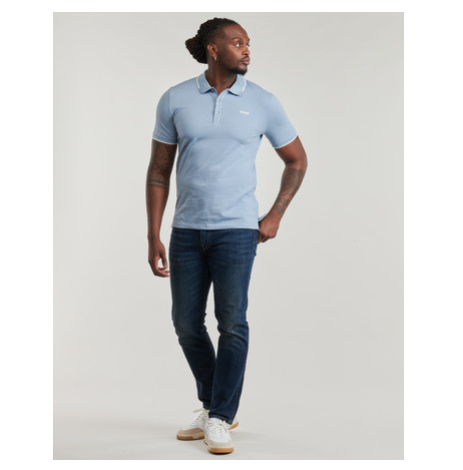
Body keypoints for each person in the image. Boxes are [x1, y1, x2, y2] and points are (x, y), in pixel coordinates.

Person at [146, 17, 308, 454]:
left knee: (232, 323)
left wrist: (275, 215)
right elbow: (159, 171)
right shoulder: (176, 98)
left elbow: (296, 160)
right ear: (213, 49)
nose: (246, 50)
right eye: (237, 43)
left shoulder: (262, 101)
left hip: (237, 231)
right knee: (186, 324)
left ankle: (219, 415)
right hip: (185, 231)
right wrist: (153, 233)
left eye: (248, 43)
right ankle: (215, 403)